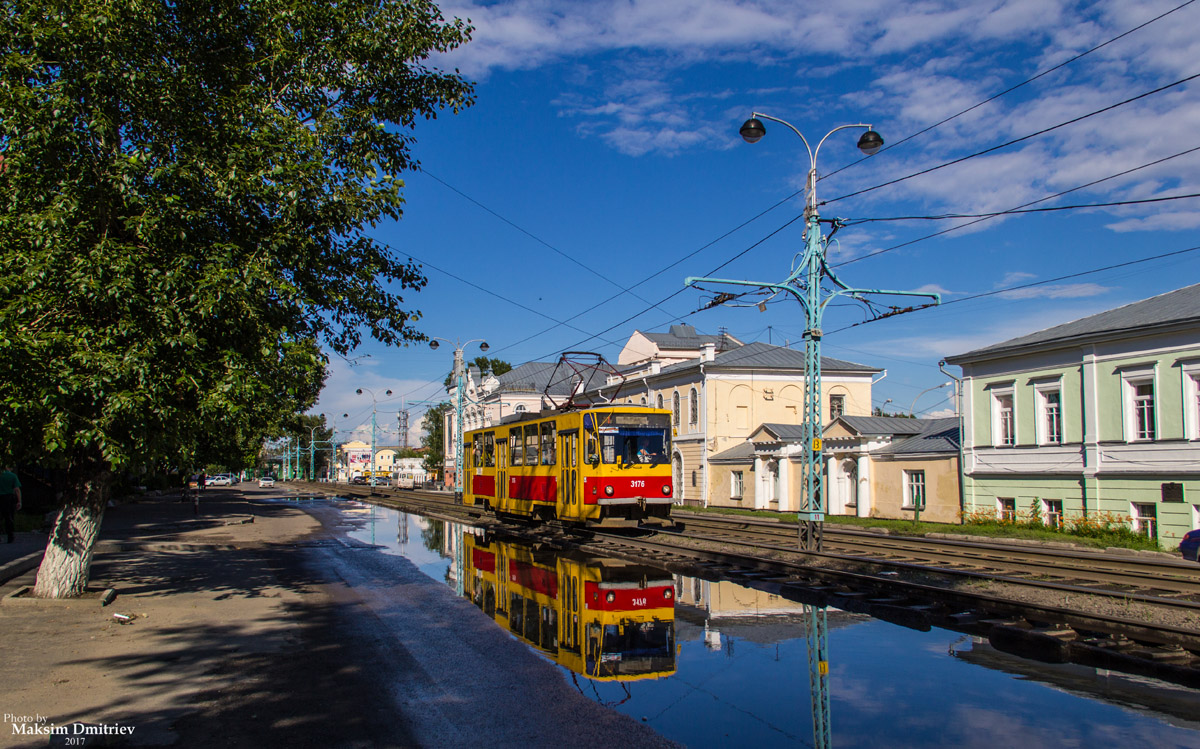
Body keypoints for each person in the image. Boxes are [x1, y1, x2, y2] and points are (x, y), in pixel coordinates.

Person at [0, 466, 22, 543]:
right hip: (9, 498)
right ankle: (10, 537)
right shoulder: (12, 476)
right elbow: (17, 489)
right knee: (9, 518)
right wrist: (19, 501)